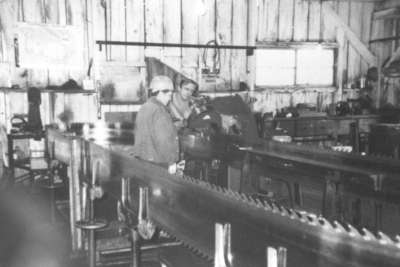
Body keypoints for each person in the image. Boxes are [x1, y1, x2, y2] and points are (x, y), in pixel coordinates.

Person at [132, 76, 181, 170]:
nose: (170, 98)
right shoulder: (160, 111)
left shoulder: (145, 107)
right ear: (160, 93)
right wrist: (171, 162)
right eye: (168, 95)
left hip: (143, 160)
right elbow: (164, 140)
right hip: (159, 163)